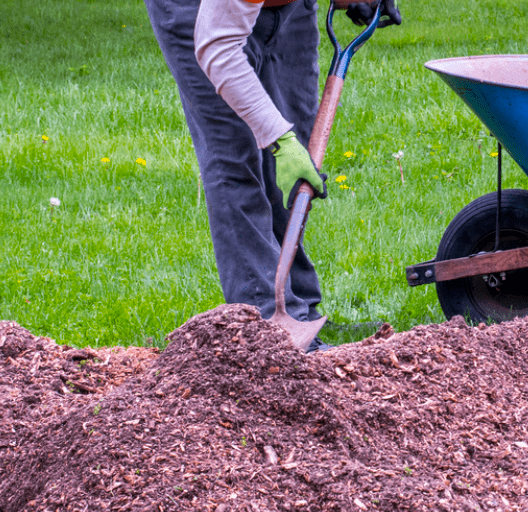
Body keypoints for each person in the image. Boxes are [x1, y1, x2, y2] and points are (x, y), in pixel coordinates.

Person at [144, 0, 401, 352]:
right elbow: (217, 47)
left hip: (286, 9)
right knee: (236, 157)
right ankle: (266, 323)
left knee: (295, 144)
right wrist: (278, 139)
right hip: (202, 14)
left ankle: (300, 311)